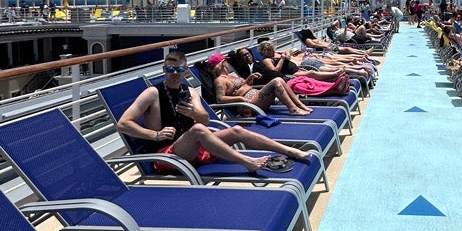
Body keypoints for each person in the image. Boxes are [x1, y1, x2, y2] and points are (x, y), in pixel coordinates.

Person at [115, 50, 318, 175]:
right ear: (163, 70)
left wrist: (195, 113)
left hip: (195, 147)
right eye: (170, 70)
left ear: (186, 71)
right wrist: (154, 134)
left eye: (179, 70)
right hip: (167, 155)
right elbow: (123, 123)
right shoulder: (152, 93)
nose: (174, 74)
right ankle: (246, 162)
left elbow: (204, 119)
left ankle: (290, 151)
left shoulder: (190, 91)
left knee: (236, 130)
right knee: (198, 131)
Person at [208, 53, 315, 116]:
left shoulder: (230, 76)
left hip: (255, 98)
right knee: (277, 81)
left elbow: (241, 87)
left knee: (280, 81)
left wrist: (249, 79)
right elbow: (220, 98)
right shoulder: (220, 80)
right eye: (225, 61)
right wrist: (241, 99)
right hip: (248, 106)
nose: (228, 63)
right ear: (222, 64)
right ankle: (294, 109)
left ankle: (299, 105)